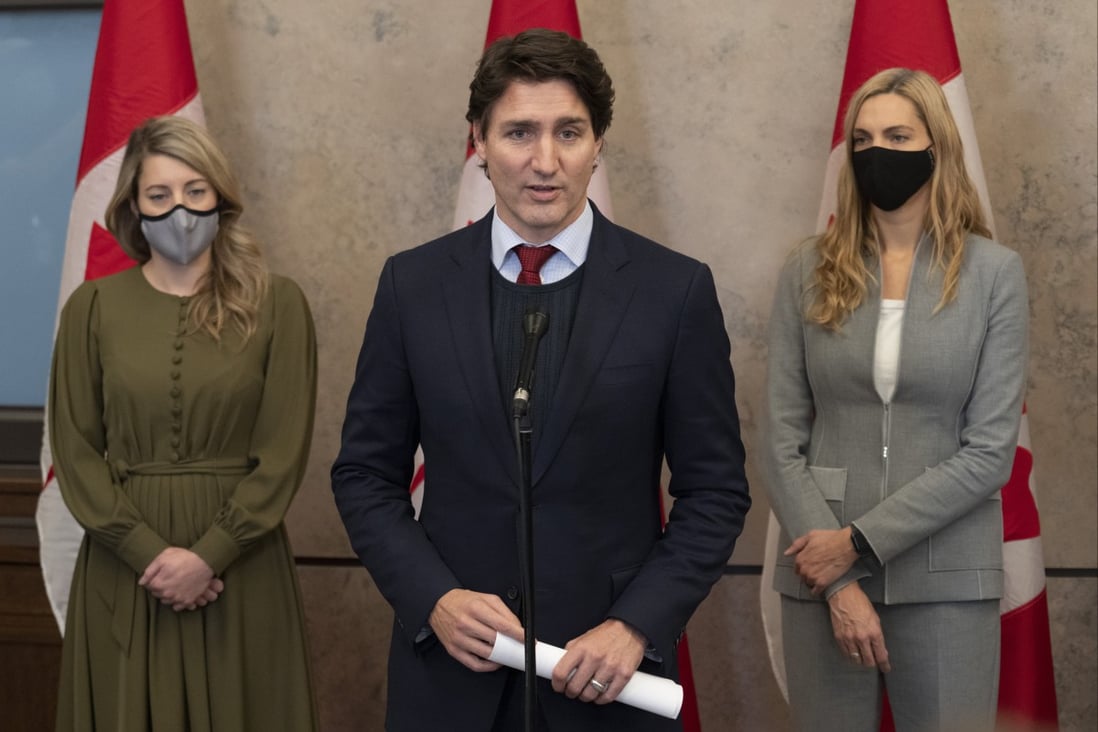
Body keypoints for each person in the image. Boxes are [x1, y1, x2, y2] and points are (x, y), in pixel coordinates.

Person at [332, 28, 750, 732]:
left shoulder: (672, 292)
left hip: (606, 680)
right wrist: (433, 598)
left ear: (599, 144)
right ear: (480, 141)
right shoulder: (414, 285)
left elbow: (715, 491)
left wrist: (636, 626)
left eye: (569, 132)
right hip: (452, 680)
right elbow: (364, 476)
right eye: (519, 132)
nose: (545, 161)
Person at [765, 68, 1029, 732]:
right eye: (862, 138)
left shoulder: (995, 275)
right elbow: (778, 439)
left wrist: (856, 543)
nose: (875, 151)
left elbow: (990, 454)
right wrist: (836, 575)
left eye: (897, 135)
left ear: (935, 146)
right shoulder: (806, 268)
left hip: (947, 578)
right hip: (820, 576)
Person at [49, 115, 318, 731]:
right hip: (126, 567)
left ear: (220, 198)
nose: (180, 210)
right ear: (133, 208)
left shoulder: (279, 305)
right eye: (159, 195)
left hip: (240, 568)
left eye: (195, 192)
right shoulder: (91, 307)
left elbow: (282, 455)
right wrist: (149, 553)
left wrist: (209, 556)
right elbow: (77, 449)